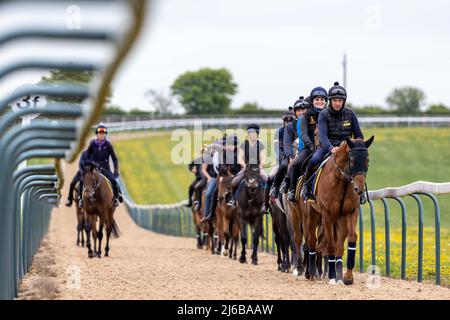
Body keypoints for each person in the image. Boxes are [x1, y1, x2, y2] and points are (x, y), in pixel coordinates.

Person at [301, 82, 365, 202]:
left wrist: (359, 145)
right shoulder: (324, 114)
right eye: (334, 100)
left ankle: (362, 191)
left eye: (339, 100)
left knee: (360, 163)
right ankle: (307, 188)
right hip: (327, 147)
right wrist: (331, 148)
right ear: (330, 101)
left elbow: (358, 134)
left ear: (343, 101)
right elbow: (323, 136)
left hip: (346, 148)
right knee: (313, 161)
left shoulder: (351, 114)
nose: (337, 103)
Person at [79, 123, 123, 208]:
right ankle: (80, 199)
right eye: (100, 133)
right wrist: (87, 165)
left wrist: (116, 170)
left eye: (103, 134)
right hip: (94, 170)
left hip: (106, 169)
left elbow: (115, 159)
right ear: (97, 134)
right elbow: (87, 156)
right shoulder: (92, 144)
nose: (102, 135)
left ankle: (116, 198)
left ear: (105, 134)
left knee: (115, 181)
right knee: (82, 181)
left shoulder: (108, 145)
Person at [227, 124, 268, 211]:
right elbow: (240, 158)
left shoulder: (261, 145)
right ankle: (233, 200)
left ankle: (266, 203)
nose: (252, 135)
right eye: (250, 133)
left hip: (257, 168)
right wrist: (246, 167)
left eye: (254, 133)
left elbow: (263, 158)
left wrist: (260, 167)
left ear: (257, 134)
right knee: (234, 182)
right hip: (246, 168)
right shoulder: (243, 145)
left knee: (268, 180)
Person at [200, 141, 221, 222]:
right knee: (208, 194)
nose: (214, 149)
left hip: (223, 177)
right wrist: (208, 177)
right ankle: (206, 214)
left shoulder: (222, 156)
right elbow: (203, 169)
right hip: (214, 177)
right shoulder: (208, 157)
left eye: (216, 148)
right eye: (213, 148)